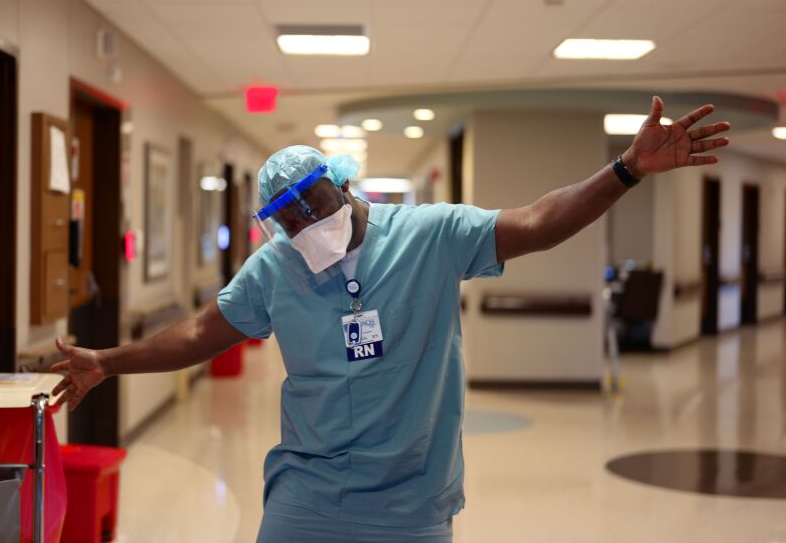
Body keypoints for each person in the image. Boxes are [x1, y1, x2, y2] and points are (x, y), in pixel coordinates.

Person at [51, 96, 729, 542]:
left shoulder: (430, 235)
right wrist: (106, 362)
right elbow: (201, 332)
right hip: (308, 495)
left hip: (412, 501)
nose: (306, 225)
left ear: (343, 183)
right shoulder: (275, 268)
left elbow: (537, 223)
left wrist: (626, 170)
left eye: (313, 203)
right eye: (287, 220)